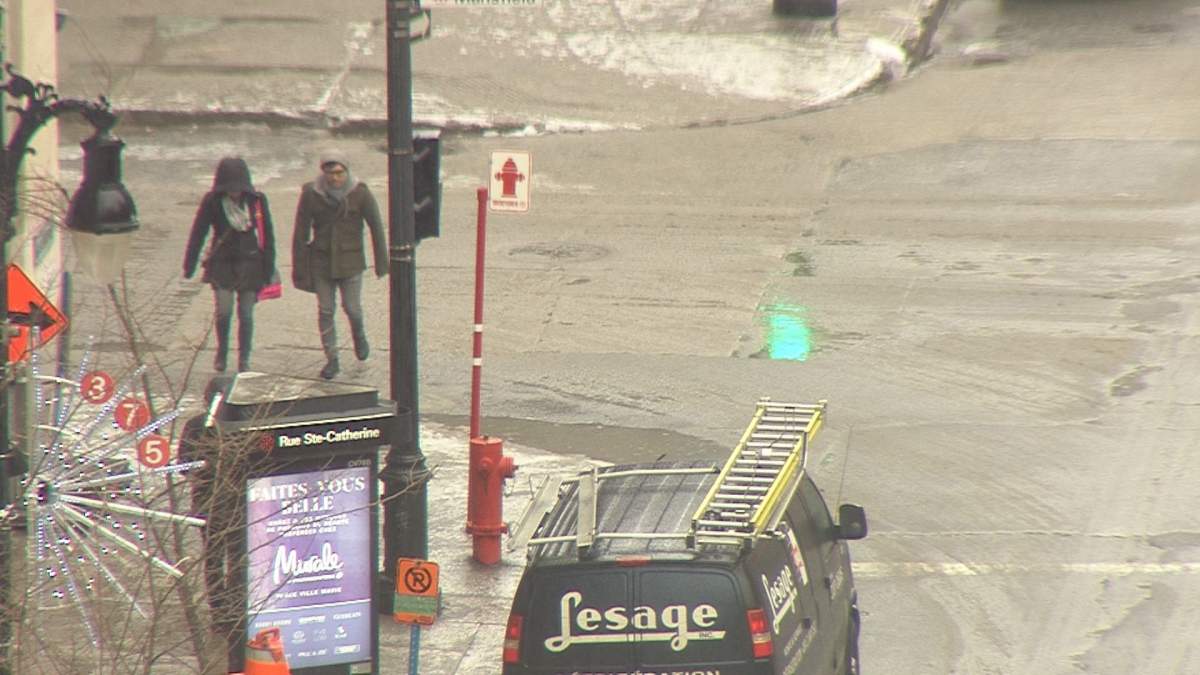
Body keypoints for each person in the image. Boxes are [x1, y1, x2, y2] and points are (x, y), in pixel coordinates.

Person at [292, 151, 387, 380]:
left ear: (346, 171)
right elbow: (300, 233)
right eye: (330, 173)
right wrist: (300, 269)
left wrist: (381, 263)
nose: (335, 178)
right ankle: (332, 359)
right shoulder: (311, 194)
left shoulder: (360, 193)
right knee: (326, 310)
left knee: (352, 308)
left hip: (351, 262)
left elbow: (376, 227)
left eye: (339, 173)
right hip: (322, 261)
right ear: (323, 173)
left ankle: (359, 336)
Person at [183, 157, 275, 373]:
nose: (234, 193)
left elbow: (267, 236)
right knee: (224, 311)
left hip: (251, 264)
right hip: (222, 264)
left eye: (238, 188)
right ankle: (222, 351)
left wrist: (268, 269)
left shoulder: (257, 201)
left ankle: (244, 358)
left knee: (246, 314)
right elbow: (199, 232)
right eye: (230, 188)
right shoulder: (212, 202)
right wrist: (190, 264)